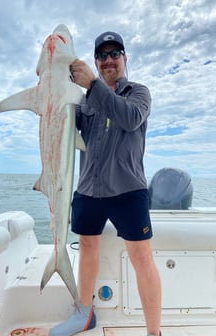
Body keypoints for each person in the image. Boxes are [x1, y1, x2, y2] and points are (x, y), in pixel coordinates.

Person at [49, 31, 162, 336]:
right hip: (88, 190)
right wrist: (56, 87)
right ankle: (85, 314)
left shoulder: (138, 93)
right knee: (87, 247)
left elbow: (129, 118)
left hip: (128, 190)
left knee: (141, 258)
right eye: (102, 55)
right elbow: (66, 128)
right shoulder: (85, 101)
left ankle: (154, 331)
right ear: (96, 61)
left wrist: (93, 86)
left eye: (115, 54)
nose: (108, 60)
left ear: (125, 59)